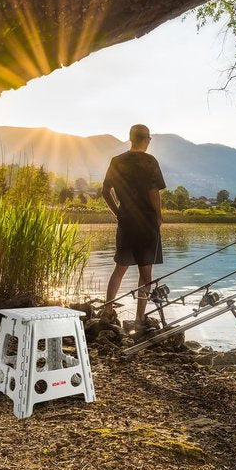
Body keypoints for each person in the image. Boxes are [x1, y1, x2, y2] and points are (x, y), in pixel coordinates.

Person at [101, 124, 166, 333]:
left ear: (130, 138)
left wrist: (117, 213)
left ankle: (107, 312)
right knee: (145, 273)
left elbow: (105, 191)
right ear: (145, 139)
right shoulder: (149, 161)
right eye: (149, 139)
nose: (149, 142)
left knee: (119, 268)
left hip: (126, 221)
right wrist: (159, 215)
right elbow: (153, 191)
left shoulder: (117, 161)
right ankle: (139, 319)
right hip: (146, 223)